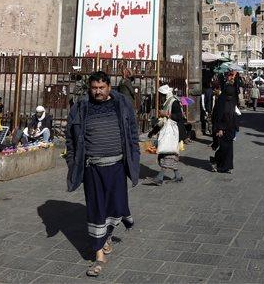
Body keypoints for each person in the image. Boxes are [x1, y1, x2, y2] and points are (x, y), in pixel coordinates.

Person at [64, 71, 139, 278]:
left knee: (117, 206)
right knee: (96, 208)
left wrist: (135, 157)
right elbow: (70, 137)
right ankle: (98, 255)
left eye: (101, 88)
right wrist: (72, 161)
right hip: (92, 168)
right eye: (94, 88)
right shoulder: (81, 107)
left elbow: (132, 133)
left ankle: (107, 234)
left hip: (116, 166)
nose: (97, 91)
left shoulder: (122, 104)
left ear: (108, 87)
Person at [146, 85, 186, 186]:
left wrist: (167, 114)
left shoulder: (174, 102)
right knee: (170, 155)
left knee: (168, 155)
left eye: (161, 95)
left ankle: (159, 178)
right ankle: (178, 176)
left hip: (174, 133)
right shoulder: (167, 102)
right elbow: (162, 121)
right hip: (168, 133)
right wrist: (153, 132)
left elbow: (179, 117)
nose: (160, 97)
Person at [210, 73, 240, 173]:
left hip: (230, 129)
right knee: (223, 148)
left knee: (229, 149)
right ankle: (217, 162)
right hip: (222, 129)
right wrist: (219, 129)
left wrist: (236, 127)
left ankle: (227, 166)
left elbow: (234, 114)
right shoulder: (221, 103)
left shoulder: (232, 101)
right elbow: (217, 116)